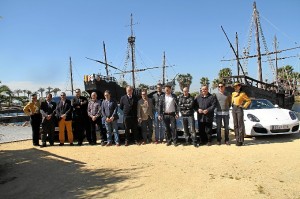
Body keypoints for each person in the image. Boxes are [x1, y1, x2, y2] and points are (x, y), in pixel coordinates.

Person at [231, 82, 251, 146]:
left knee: (240, 124)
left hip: (239, 109)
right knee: (235, 125)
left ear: (239, 86)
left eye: (237, 86)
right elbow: (232, 101)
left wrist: (244, 106)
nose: (236, 87)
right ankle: (237, 139)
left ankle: (240, 140)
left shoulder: (242, 94)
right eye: (235, 86)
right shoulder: (233, 93)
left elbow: (248, 100)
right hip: (234, 109)